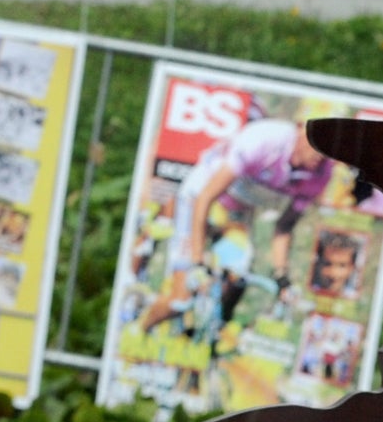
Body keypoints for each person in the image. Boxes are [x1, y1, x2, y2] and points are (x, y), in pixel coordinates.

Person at [140, 118, 336, 333]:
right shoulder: (264, 140)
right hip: (200, 200)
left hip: (234, 215)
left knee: (234, 284)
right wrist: (197, 261)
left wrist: (281, 276)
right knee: (182, 299)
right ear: (301, 129)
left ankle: (204, 341)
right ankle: (139, 330)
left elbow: (284, 227)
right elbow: (205, 198)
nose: (322, 152)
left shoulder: (322, 174)